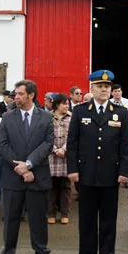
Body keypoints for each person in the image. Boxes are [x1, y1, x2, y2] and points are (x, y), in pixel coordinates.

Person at [67, 70, 128, 254]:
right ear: (92, 89)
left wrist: (124, 172)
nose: (104, 90)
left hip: (110, 175)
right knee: (86, 219)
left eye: (107, 87)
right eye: (100, 86)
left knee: (108, 219)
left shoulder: (120, 112)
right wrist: (73, 169)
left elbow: (126, 146)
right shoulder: (80, 111)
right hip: (85, 174)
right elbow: (73, 143)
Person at [0, 80, 53, 254]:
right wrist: (20, 167)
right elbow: (3, 145)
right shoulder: (7, 117)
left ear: (31, 95)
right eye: (15, 94)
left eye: (20, 94)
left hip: (37, 175)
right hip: (13, 177)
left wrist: (29, 165)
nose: (16, 97)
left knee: (38, 220)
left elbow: (48, 144)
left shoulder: (46, 117)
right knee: (10, 219)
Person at [47, 93, 72, 224]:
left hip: (66, 156)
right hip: (52, 155)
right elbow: (45, 136)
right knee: (51, 186)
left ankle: (64, 213)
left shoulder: (71, 118)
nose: (67, 106)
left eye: (68, 104)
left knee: (66, 186)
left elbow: (74, 136)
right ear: (57, 105)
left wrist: (64, 149)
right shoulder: (47, 118)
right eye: (64, 104)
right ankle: (51, 212)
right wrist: (55, 149)